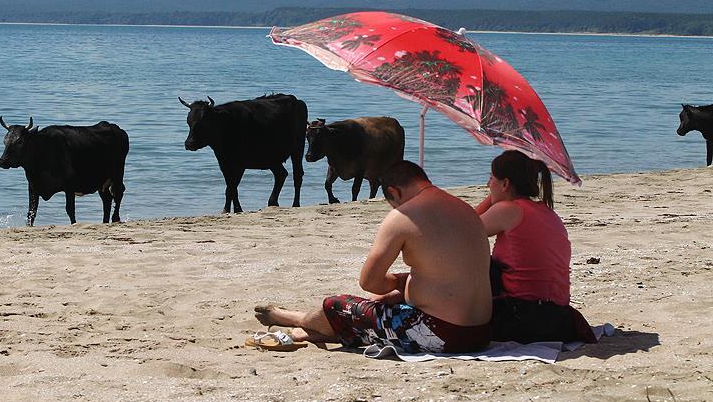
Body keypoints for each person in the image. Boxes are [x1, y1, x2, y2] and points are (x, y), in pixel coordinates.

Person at [254, 160, 492, 354]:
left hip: (440, 334)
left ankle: (297, 319)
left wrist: (398, 281)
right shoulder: (465, 209)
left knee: (336, 305)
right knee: (386, 303)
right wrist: (405, 284)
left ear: (393, 192)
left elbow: (370, 282)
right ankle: (315, 327)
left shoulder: (404, 217)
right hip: (481, 332)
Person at [476, 150, 595, 343]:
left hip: (523, 319)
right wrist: (496, 195)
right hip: (559, 320)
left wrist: (492, 199)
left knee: (473, 259)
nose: (488, 185)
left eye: (491, 179)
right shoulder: (547, 212)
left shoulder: (508, 210)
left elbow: (463, 232)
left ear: (505, 184)